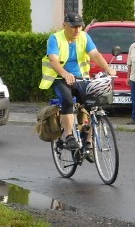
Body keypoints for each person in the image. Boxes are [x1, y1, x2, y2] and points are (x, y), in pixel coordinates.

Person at [38, 12, 116, 150]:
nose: (77, 30)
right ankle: (68, 136)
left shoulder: (84, 37)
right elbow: (53, 60)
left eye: (80, 27)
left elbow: (95, 55)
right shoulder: (55, 38)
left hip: (80, 79)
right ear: (64, 25)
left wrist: (107, 68)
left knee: (95, 104)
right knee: (67, 101)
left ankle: (89, 142)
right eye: (74, 27)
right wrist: (65, 73)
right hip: (59, 78)